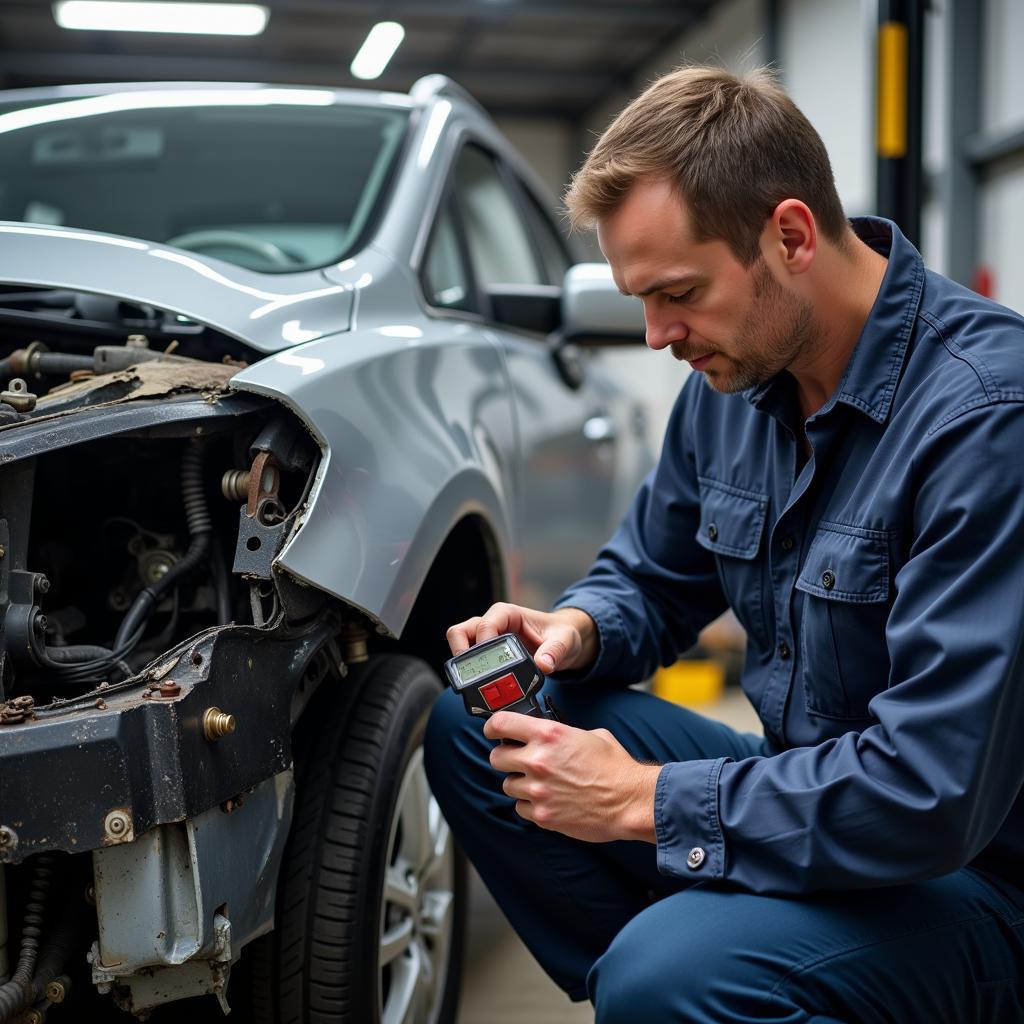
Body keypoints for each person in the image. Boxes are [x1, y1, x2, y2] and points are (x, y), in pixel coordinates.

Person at [424, 65, 1024, 1023]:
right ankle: (721, 981)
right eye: (641, 303)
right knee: (479, 728)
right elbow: (651, 578)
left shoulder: (988, 418)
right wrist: (576, 625)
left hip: (976, 874)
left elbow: (929, 792)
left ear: (789, 236)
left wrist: (645, 802)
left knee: (673, 972)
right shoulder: (736, 387)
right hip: (823, 811)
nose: (660, 336)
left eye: (679, 294)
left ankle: (702, 980)